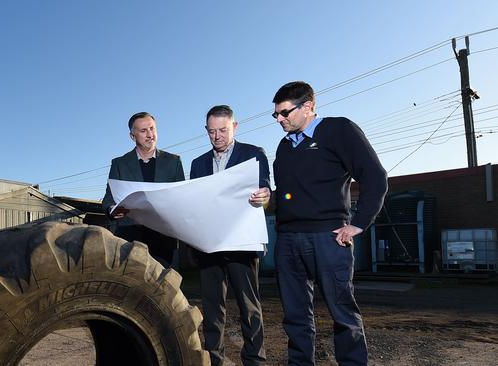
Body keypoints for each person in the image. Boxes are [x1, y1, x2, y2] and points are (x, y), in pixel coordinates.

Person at [271, 81, 388, 365]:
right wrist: (266, 199)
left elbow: (375, 176)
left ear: (308, 106)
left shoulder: (339, 130)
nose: (279, 119)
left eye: (285, 112)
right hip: (287, 241)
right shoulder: (284, 148)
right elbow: (288, 194)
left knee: (343, 314)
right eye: (275, 114)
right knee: (295, 318)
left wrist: (359, 224)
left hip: (328, 238)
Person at [190, 105, 270, 366]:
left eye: (223, 130)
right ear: (206, 131)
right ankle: (215, 360)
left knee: (249, 309)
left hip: (242, 243)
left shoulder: (254, 154)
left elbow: (265, 187)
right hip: (209, 246)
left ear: (235, 126)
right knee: (213, 311)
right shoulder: (198, 163)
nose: (217, 136)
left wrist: (265, 195)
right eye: (212, 132)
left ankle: (254, 361)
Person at [102, 111, 185, 267]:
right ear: (132, 136)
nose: (150, 134)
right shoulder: (119, 163)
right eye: (143, 130)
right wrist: (112, 210)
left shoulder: (173, 161)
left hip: (164, 238)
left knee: (165, 289)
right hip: (129, 239)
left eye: (152, 129)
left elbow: (181, 197)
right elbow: (108, 199)